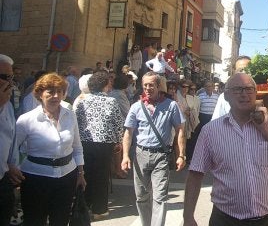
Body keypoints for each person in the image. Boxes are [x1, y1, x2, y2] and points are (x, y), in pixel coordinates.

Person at [183, 73, 268, 226]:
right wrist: (188, 217)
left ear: (256, 93)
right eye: (237, 89)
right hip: (226, 220)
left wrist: (266, 129)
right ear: (226, 96)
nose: (244, 94)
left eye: (249, 89)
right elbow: (195, 174)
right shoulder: (210, 131)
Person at [11, 73, 86, 226]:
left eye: (60, 91)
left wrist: (80, 174)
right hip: (35, 179)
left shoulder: (70, 115)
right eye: (50, 92)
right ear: (39, 93)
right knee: (35, 220)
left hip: (66, 177)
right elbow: (12, 149)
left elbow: (77, 147)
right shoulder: (27, 120)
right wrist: (14, 169)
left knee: (60, 220)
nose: (56, 96)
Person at [121, 72, 186, 226]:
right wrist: (125, 156)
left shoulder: (171, 106)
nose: (148, 88)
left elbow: (180, 130)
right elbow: (128, 132)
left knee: (160, 198)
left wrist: (181, 155)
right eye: (145, 85)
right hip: (141, 154)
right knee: (141, 196)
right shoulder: (136, 107)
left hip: (161, 156)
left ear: (158, 86)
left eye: (151, 85)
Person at [74, 71, 124, 219]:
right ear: (104, 85)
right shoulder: (111, 101)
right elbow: (117, 123)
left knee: (86, 173)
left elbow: (77, 121)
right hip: (104, 143)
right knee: (101, 176)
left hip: (85, 142)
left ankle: (85, 204)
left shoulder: (82, 101)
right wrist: (118, 141)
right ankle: (99, 209)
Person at [0, 55, 17, 226]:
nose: (10, 83)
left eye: (11, 77)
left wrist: (10, 165)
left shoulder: (8, 105)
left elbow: (10, 138)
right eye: (5, 78)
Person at [211, 56, 252, 121]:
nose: (244, 73)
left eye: (248, 70)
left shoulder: (264, 94)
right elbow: (215, 123)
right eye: (240, 70)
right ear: (234, 72)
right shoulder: (224, 97)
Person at [176, 80, 200, 164]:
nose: (185, 89)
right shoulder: (177, 95)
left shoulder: (189, 97)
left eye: (187, 87)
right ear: (180, 87)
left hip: (188, 121)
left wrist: (190, 112)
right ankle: (179, 159)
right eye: (184, 86)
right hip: (178, 121)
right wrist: (185, 111)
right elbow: (177, 107)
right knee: (178, 140)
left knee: (185, 139)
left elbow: (193, 109)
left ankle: (183, 158)